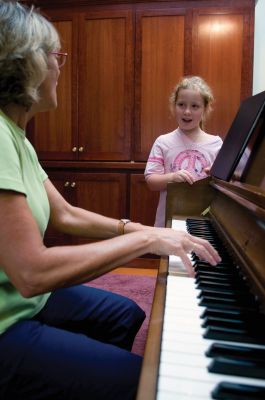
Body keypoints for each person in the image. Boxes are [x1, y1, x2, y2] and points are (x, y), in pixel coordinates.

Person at [0, 2, 221, 399]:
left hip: (22, 299)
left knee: (126, 314)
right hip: (7, 318)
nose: (60, 67)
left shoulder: (17, 136)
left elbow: (63, 213)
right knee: (148, 381)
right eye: (56, 56)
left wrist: (135, 228)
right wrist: (146, 241)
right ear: (26, 64)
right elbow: (31, 272)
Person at [145, 76, 223, 227]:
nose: (187, 111)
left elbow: (226, 186)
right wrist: (173, 177)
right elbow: (151, 182)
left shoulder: (216, 144)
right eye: (181, 104)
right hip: (169, 221)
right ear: (174, 106)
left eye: (195, 106)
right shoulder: (163, 142)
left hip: (205, 223)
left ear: (205, 109)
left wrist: (217, 176)